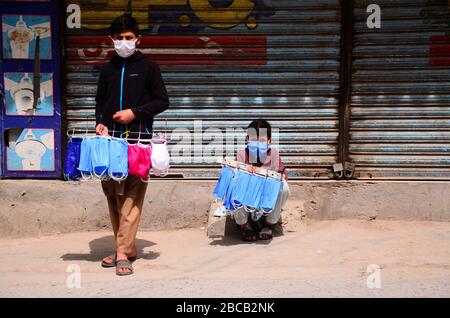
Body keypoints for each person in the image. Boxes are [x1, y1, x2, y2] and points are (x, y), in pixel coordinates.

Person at [94, 14, 169, 275]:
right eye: (119, 38)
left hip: (139, 141)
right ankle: (125, 247)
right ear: (111, 40)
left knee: (132, 197)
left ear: (138, 39)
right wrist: (100, 122)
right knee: (113, 196)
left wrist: (134, 113)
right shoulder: (107, 69)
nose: (124, 42)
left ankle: (122, 252)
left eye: (129, 38)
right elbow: (101, 102)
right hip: (110, 141)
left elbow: (162, 101)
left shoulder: (149, 67)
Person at [234, 119, 290, 241]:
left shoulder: (274, 154)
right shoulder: (242, 154)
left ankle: (269, 225)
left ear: (269, 142)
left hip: (266, 196)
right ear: (247, 139)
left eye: (262, 141)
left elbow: (281, 176)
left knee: (284, 186)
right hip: (248, 196)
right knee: (233, 185)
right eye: (254, 140)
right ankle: (244, 226)